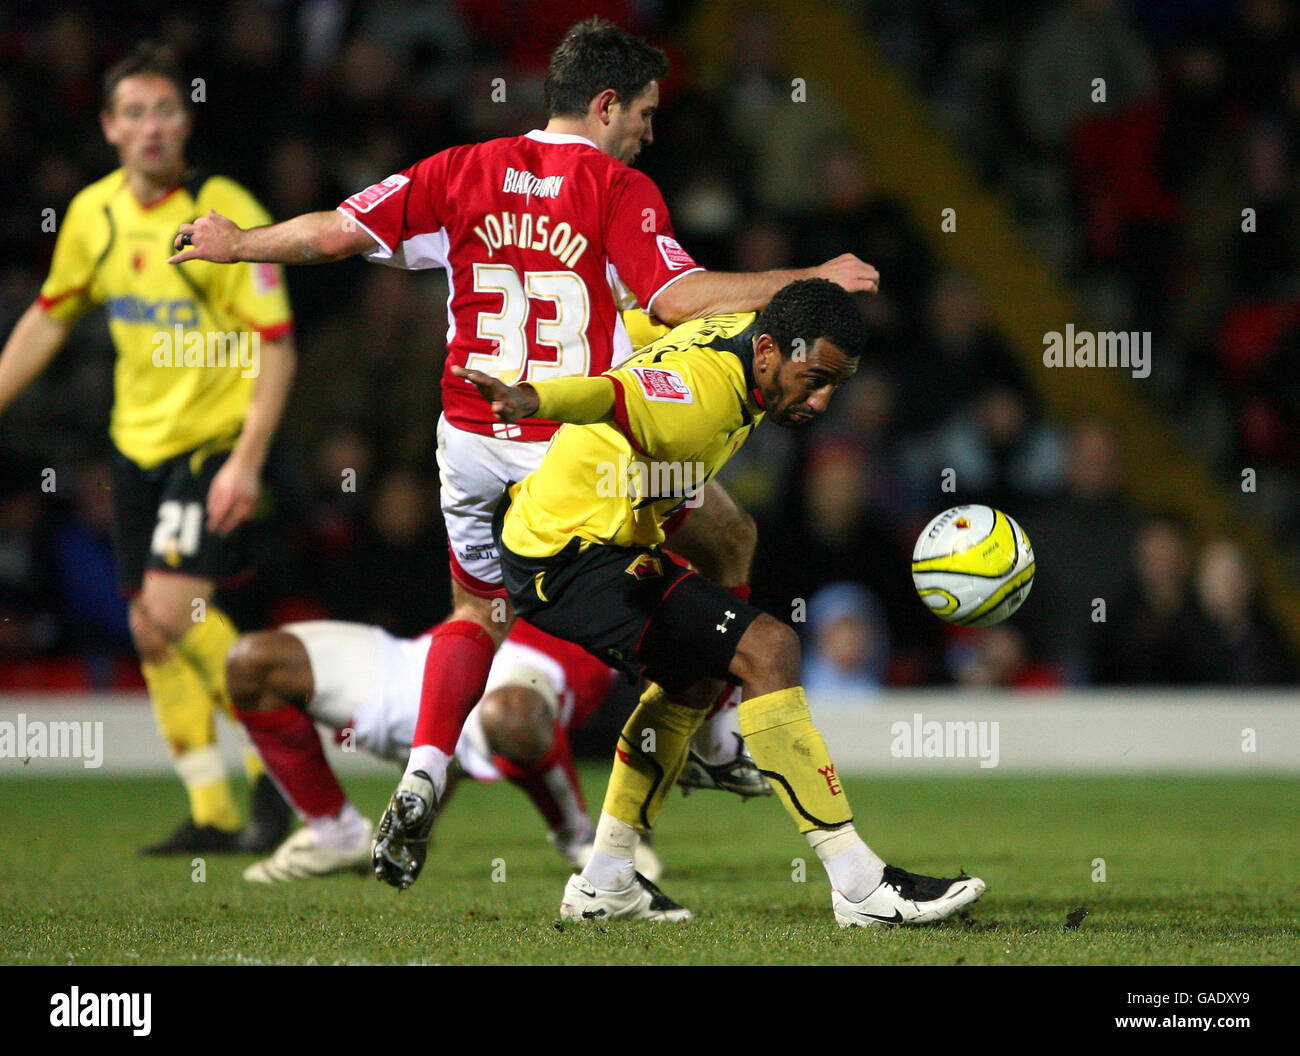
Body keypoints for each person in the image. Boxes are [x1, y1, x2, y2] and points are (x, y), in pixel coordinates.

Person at [168, 16, 878, 885]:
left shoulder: (458, 169)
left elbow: (331, 236)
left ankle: (427, 769)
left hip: (467, 436)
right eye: (646, 116)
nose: (650, 135)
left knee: (477, 615)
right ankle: (719, 734)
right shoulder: (618, 189)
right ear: (607, 104)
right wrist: (804, 284)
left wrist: (237, 244)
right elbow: (680, 295)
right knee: (727, 542)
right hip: (571, 441)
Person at [459, 278, 986, 925]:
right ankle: (859, 884)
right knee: (770, 647)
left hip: (595, 536)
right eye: (813, 376)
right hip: (569, 556)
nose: (820, 398)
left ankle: (606, 880)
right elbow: (609, 393)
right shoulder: (700, 397)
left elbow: (637, 324)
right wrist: (531, 396)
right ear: (767, 351)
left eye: (835, 383)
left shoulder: (740, 336)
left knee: (696, 676)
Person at [0, 43, 296, 854]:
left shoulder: (220, 208)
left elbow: (277, 343)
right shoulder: (92, 215)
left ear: (186, 119)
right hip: (138, 449)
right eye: (134, 112)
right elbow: (49, 316)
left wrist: (247, 457)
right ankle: (215, 810)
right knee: (150, 627)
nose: (152, 127)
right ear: (108, 127)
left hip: (212, 446)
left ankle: (281, 753)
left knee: (171, 607)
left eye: (166, 109)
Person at [225, 609, 766, 884]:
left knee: (509, 716)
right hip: (434, 660)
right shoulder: (514, 452)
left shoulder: (650, 522)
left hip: (533, 672)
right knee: (250, 663)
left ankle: (583, 839)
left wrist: (707, 729)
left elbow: (696, 634)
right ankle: (333, 831)